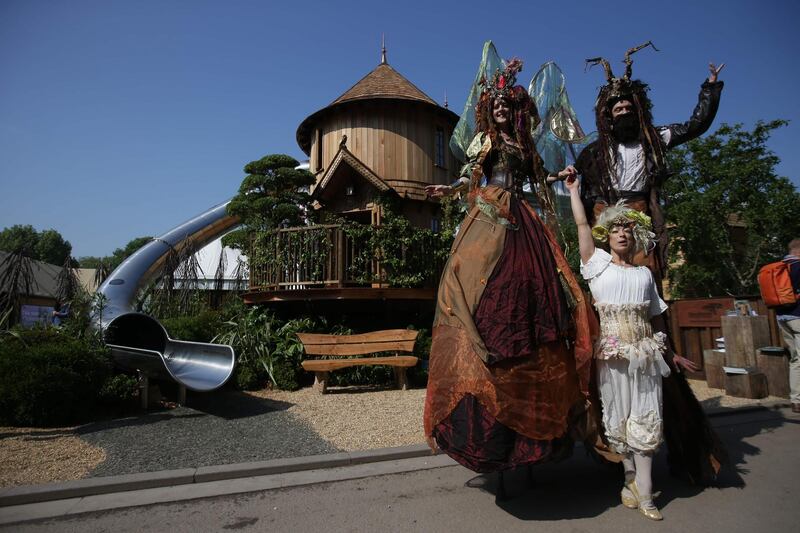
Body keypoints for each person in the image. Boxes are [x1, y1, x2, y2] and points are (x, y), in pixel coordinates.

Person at [422, 58, 593, 489]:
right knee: (467, 281)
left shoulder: (524, 146)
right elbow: (470, 176)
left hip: (522, 220)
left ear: (514, 109)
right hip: (487, 214)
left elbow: (538, 181)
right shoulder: (485, 142)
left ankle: (533, 433)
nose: (500, 110)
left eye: (505, 105)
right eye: (494, 104)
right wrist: (450, 189)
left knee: (546, 294)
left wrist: (563, 176)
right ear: (488, 109)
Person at [563, 170, 701, 520]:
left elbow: (657, 318)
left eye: (627, 228)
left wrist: (672, 353)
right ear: (606, 236)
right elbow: (581, 227)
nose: (621, 233)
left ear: (635, 235)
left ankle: (646, 491)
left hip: (646, 354)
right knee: (618, 419)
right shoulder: (596, 267)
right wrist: (575, 191)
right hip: (611, 356)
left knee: (647, 416)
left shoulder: (644, 276)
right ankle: (630, 478)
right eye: (615, 228)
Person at [556, 42, 724, 284]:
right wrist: (564, 174)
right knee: (604, 275)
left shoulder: (654, 139)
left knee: (645, 275)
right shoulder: (596, 150)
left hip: (639, 212)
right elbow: (572, 173)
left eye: (627, 108)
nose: (624, 112)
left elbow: (695, 126)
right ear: (610, 116)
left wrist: (710, 88)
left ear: (637, 111)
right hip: (603, 214)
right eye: (618, 109)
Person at [775, 238, 800, 413]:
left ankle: (796, 400)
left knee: (795, 359)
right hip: (798, 317)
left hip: (781, 317)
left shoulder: (777, 268)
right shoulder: (798, 266)